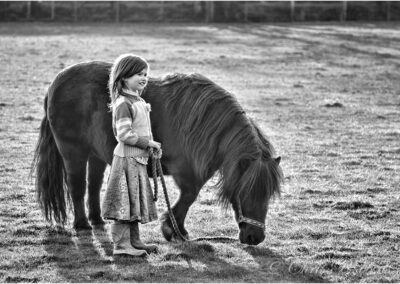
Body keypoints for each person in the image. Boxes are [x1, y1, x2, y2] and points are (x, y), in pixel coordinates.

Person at [102, 54, 161, 257]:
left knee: (133, 201)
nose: (144, 77)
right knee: (124, 203)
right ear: (124, 77)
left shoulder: (138, 100)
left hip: (138, 160)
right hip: (126, 160)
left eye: (145, 74)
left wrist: (149, 147)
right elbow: (124, 134)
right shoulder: (123, 103)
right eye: (138, 74)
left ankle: (134, 241)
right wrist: (148, 143)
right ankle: (121, 246)